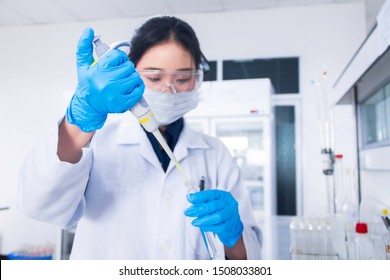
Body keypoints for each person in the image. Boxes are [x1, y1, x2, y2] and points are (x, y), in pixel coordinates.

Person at [18, 15, 262, 260]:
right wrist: (80, 120)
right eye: (154, 78)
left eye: (182, 79)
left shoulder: (215, 153)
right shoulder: (99, 139)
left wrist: (234, 235)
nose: (169, 90)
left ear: (196, 78)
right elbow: (37, 204)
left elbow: (246, 259)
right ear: (131, 74)